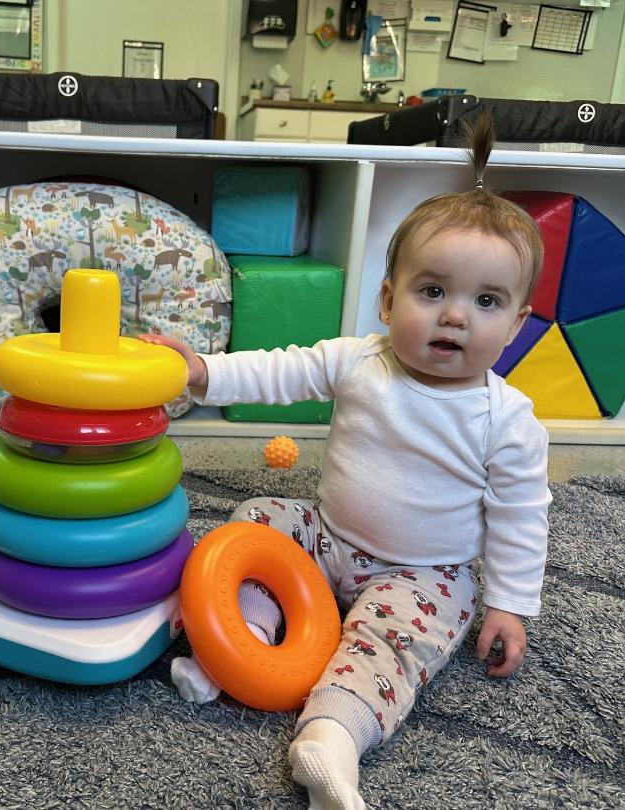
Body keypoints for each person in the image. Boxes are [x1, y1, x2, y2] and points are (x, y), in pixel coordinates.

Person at [141, 111, 551, 810]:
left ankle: (331, 741)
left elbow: (520, 516)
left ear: (516, 325)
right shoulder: (362, 359)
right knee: (254, 522)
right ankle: (236, 646)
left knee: (392, 645)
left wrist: (510, 604)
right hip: (325, 536)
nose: (455, 316)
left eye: (485, 302)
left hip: (424, 574)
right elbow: (281, 371)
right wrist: (203, 372)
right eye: (433, 291)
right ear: (388, 301)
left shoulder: (507, 420)